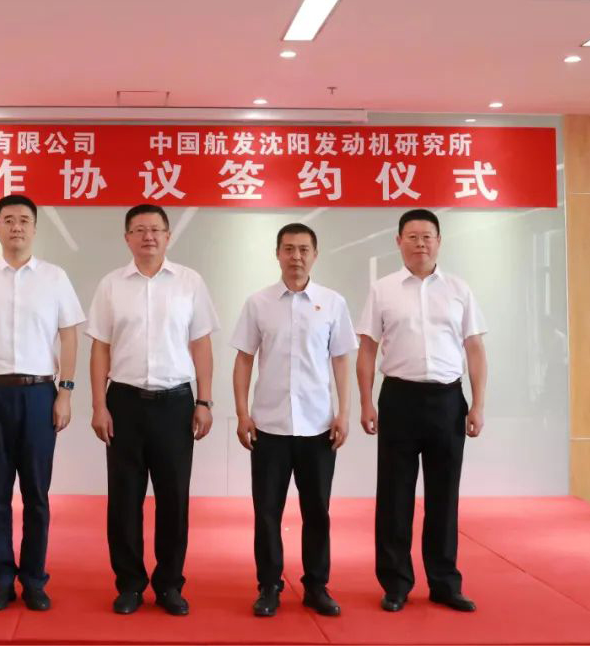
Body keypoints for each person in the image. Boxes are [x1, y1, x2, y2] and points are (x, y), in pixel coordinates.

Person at [0, 194, 85, 612]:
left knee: (36, 495)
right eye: (8, 219)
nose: (16, 226)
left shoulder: (54, 277)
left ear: (34, 228)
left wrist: (65, 391)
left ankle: (33, 580)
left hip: (39, 394)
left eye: (24, 220)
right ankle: (0, 580)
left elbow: (69, 335)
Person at [86, 204, 219, 616]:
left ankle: (169, 585)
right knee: (124, 500)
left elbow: (201, 345)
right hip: (124, 403)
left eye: (156, 229)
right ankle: (129, 584)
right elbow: (100, 348)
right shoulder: (111, 285)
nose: (148, 236)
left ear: (168, 236)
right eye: (140, 230)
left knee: (173, 499)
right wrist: (98, 405)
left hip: (175, 404)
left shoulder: (189, 283)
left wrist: (204, 400)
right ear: (127, 237)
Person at [356, 208, 487, 613]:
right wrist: (365, 400)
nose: (420, 244)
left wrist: (478, 404)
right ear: (398, 242)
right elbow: (367, 350)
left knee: (444, 496)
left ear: (439, 241)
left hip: (447, 400)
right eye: (412, 237)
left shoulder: (459, 289)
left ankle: (445, 583)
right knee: (394, 496)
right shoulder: (382, 290)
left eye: (427, 236)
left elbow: (475, 349)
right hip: (398, 398)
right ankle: (396, 583)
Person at [231, 223, 356, 618]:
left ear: (315, 255)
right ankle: (269, 586)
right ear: (277, 254)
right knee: (267, 512)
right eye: (288, 249)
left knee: (317, 511)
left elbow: (341, 360)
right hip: (269, 426)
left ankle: (316, 586)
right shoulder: (258, 303)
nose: (296, 256)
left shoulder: (332, 303)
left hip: (318, 426)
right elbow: (244, 359)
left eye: (303, 249)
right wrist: (242, 412)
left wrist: (344, 412)